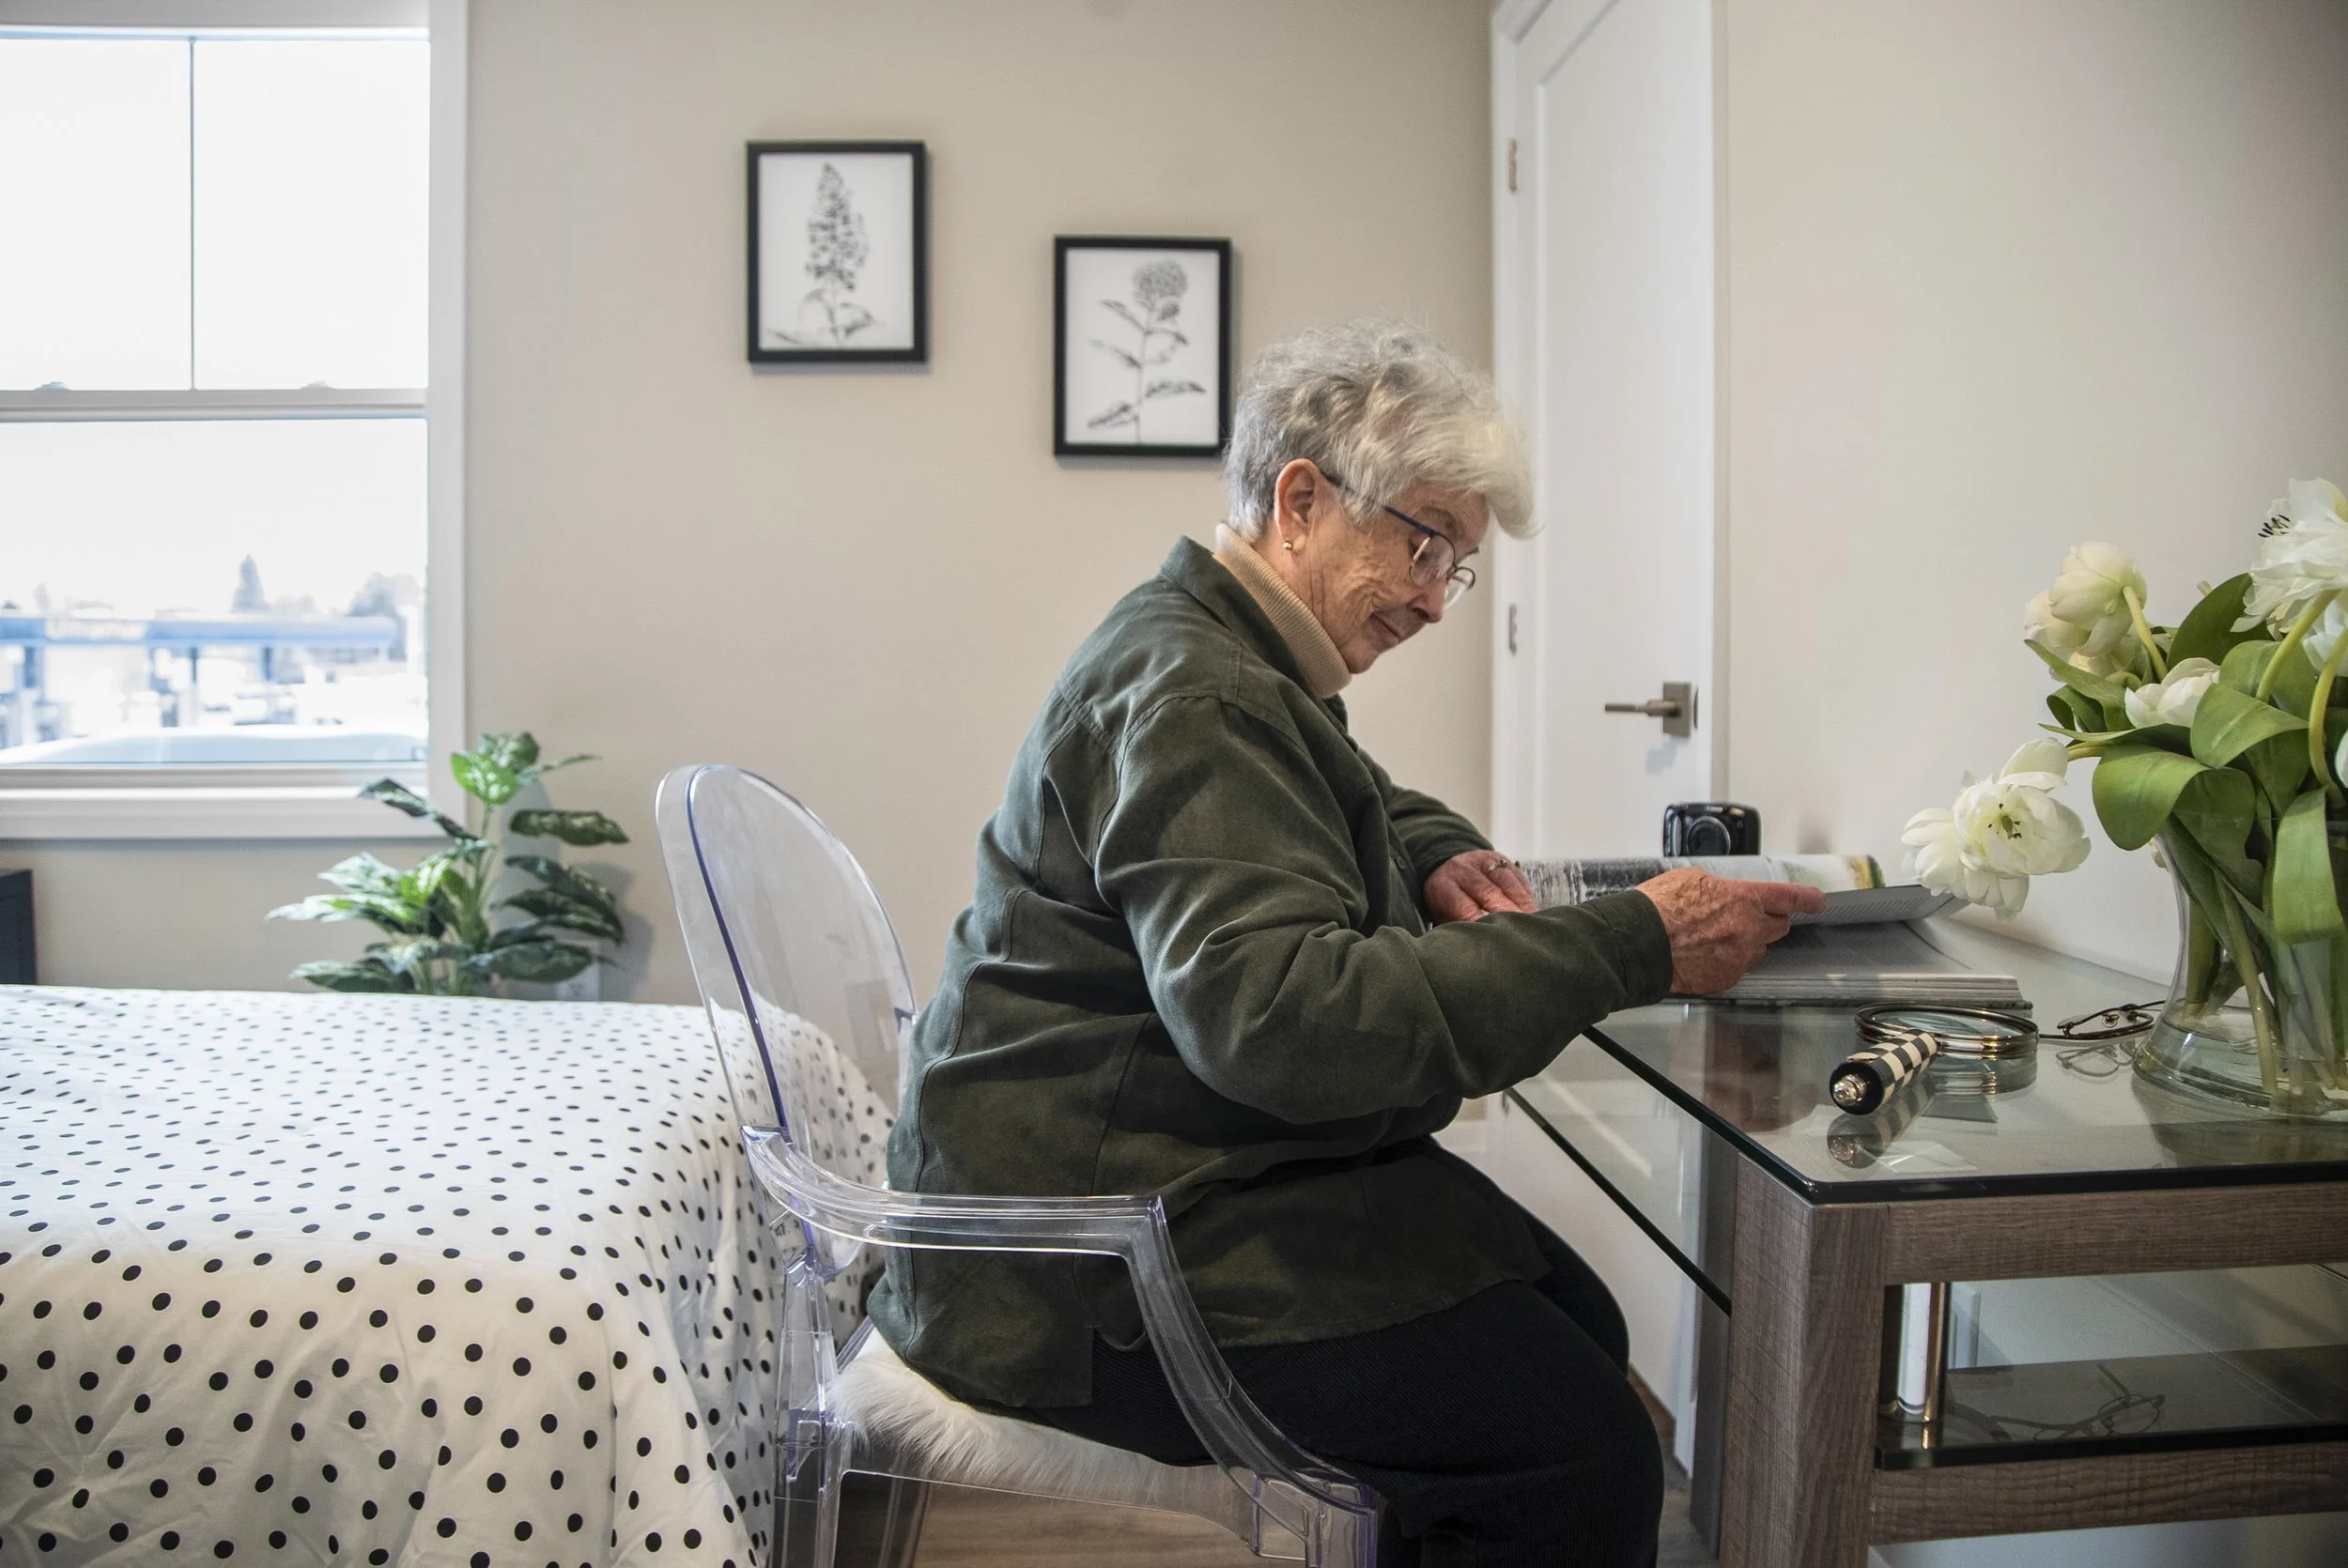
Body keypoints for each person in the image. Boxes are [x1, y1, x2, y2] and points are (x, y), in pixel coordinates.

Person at [867, 321, 1821, 1567]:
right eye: (1422, 543)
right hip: (1076, 1266)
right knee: (1585, 1449)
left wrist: (1430, 845)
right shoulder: (1201, 688)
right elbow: (1282, 1021)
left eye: (1457, 566)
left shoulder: (1225, 648)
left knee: (1573, 1320)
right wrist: (1636, 938)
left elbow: (1338, 788)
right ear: (1303, 499)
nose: (1434, 596)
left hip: (1139, 1173)